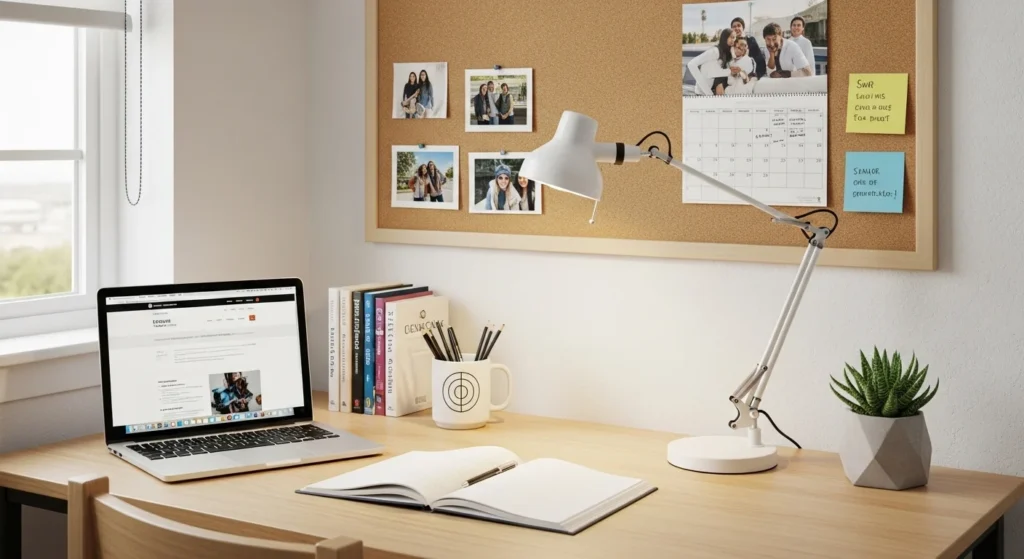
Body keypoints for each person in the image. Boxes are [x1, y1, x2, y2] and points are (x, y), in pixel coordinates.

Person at [686, 31, 735, 96]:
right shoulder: (715, 51)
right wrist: (708, 92)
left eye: (734, 38)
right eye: (731, 37)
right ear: (724, 37)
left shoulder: (725, 53)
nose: (733, 40)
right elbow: (691, 64)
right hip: (702, 94)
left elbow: (715, 72)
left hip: (709, 93)